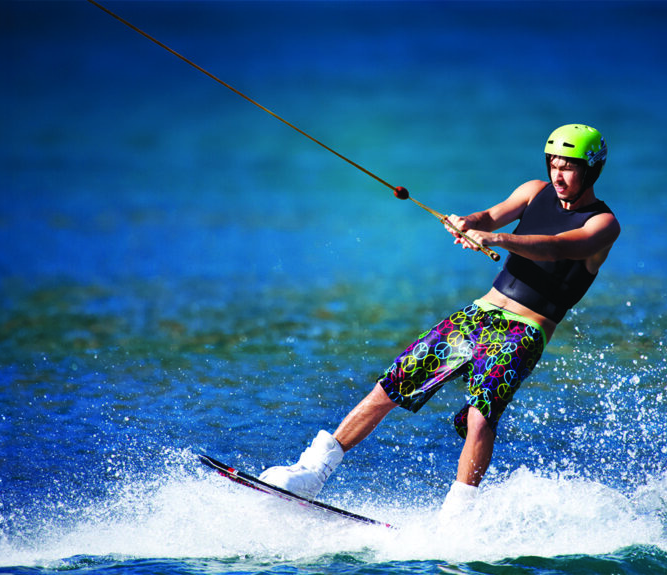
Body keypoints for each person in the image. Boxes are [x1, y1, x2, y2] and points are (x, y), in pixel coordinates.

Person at [259, 123, 620, 514]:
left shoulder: (603, 224)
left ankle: (457, 515)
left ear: (592, 169)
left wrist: (497, 239)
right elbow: (491, 215)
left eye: (568, 167)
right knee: (392, 384)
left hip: (525, 331)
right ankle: (312, 472)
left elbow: (556, 248)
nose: (557, 174)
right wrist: (467, 223)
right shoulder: (534, 191)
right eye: (553, 163)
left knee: (481, 416)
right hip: (480, 314)